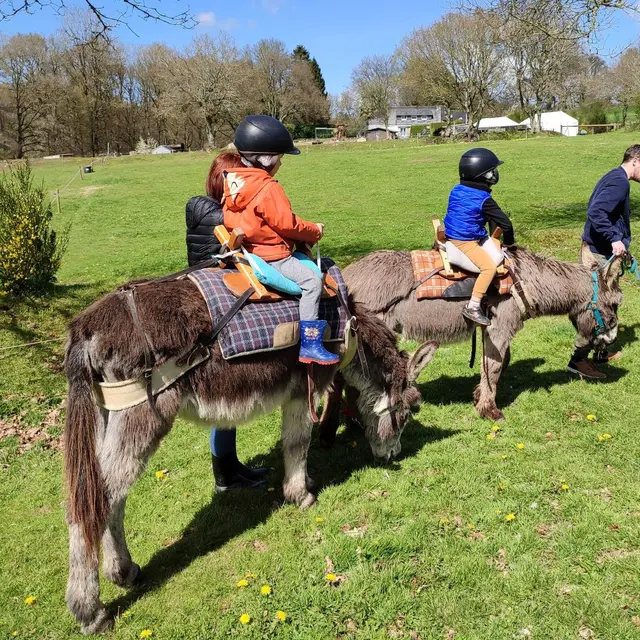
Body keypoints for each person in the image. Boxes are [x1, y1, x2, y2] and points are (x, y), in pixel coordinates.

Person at [223, 114, 339, 365]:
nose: (281, 164)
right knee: (311, 281)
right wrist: (315, 231)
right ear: (266, 158)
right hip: (272, 256)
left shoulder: (233, 184)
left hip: (249, 250)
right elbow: (287, 224)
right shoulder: (268, 188)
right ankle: (310, 344)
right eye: (280, 157)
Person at [186, 151, 268, 492]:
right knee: (225, 391)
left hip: (217, 297)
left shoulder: (204, 208)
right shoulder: (213, 212)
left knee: (226, 398)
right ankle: (225, 475)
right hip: (218, 303)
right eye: (239, 178)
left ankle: (230, 468)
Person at [567, 143, 640, 380]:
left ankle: (600, 353)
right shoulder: (619, 182)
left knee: (606, 304)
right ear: (635, 161)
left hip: (597, 249)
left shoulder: (614, 176)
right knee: (599, 308)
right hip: (600, 254)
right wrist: (615, 238)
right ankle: (578, 361)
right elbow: (596, 211)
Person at [443, 148, 515, 326]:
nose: (494, 174)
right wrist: (509, 243)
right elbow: (506, 224)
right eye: (491, 171)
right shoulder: (484, 199)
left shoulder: (457, 189)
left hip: (452, 233)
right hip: (465, 242)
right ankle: (473, 306)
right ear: (483, 175)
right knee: (489, 268)